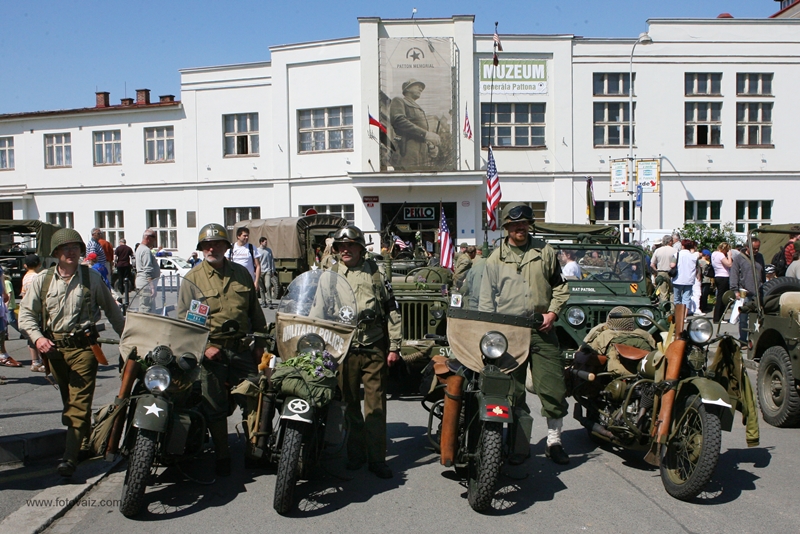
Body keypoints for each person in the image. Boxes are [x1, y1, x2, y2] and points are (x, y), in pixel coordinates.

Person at [18, 228, 124, 478]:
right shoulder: (42, 281)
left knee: (78, 403)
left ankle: (70, 457)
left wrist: (129, 343)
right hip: (54, 351)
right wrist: (38, 338)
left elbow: (113, 313)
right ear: (55, 253)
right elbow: (26, 316)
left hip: (84, 349)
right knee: (70, 401)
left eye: (75, 247)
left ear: (81, 251)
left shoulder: (91, 278)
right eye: (65, 248)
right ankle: (84, 443)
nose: (71, 251)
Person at [478, 202, 571, 465]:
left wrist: (553, 313)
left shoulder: (546, 252)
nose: (521, 228)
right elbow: (487, 300)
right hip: (509, 332)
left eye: (525, 224)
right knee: (513, 391)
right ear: (506, 226)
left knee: (553, 387)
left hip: (542, 329)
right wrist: (490, 335)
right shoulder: (495, 258)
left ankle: (554, 441)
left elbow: (561, 287)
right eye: (515, 224)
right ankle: (518, 442)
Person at [181, 223, 268, 476]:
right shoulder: (192, 280)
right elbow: (185, 322)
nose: (212, 248)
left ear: (226, 247)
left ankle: (254, 450)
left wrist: (259, 344)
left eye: (217, 244)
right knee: (215, 405)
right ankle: (222, 454)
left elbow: (256, 313)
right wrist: (204, 347)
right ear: (201, 249)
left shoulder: (241, 274)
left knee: (255, 397)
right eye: (207, 245)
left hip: (241, 349)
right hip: (212, 352)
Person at [330, 226, 402, 479]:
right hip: (344, 349)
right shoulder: (330, 275)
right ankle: (355, 454)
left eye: (350, 245)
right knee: (349, 405)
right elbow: (318, 310)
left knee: (375, 406)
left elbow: (391, 309)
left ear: (361, 247)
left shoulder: (376, 273)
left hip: (373, 346)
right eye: (341, 246)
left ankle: (376, 458)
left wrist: (394, 346)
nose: (345, 250)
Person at [389, 79, 441, 170]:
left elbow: (420, 130)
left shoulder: (418, 107)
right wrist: (426, 134)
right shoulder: (399, 101)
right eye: (417, 86)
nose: (421, 89)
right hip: (407, 150)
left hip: (422, 153)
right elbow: (399, 121)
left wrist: (431, 147)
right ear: (407, 89)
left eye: (421, 87)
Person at [730, 239, 764, 343]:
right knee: (743, 319)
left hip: (758, 292)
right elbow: (734, 274)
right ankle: (743, 340)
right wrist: (735, 290)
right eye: (754, 248)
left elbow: (762, 273)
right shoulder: (739, 258)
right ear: (747, 247)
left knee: (759, 318)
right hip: (745, 293)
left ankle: (756, 340)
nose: (756, 250)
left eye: (758, 248)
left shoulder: (760, 257)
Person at [21, 254, 45, 372]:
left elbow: (24, 294)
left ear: (25, 266)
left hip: (28, 308)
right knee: (41, 334)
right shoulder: (38, 277)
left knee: (31, 336)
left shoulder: (25, 277)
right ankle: (43, 360)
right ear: (39, 265)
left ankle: (35, 361)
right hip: (38, 309)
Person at [135, 229, 161, 312]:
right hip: (146, 285)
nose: (155, 241)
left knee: (146, 307)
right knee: (146, 309)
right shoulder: (145, 250)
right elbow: (148, 269)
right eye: (154, 237)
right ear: (148, 238)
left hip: (143, 283)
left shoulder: (140, 248)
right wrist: (152, 287)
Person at [671, 239, 700, 307]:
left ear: (683, 246)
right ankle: (684, 316)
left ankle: (678, 315)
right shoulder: (694, 257)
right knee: (686, 299)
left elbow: (672, 265)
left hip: (678, 279)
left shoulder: (676, 255)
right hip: (689, 280)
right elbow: (697, 268)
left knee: (677, 299)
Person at [711, 242, 733, 323]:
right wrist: (729, 256)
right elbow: (729, 264)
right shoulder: (720, 255)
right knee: (722, 298)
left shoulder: (714, 254)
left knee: (719, 297)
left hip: (717, 276)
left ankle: (718, 317)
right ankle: (719, 318)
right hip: (724, 276)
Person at [650, 236, 676, 303]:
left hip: (661, 272)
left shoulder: (658, 250)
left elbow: (652, 264)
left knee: (663, 293)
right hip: (672, 273)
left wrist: (656, 271)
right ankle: (672, 310)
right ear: (670, 241)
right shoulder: (675, 250)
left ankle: (664, 309)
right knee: (672, 292)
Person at [257, 237, 274, 307]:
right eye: (265, 242)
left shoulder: (269, 251)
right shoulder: (257, 251)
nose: (266, 243)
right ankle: (263, 301)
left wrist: (272, 270)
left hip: (267, 270)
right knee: (261, 288)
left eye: (266, 242)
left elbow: (272, 260)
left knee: (268, 285)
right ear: (261, 242)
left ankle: (269, 301)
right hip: (260, 271)